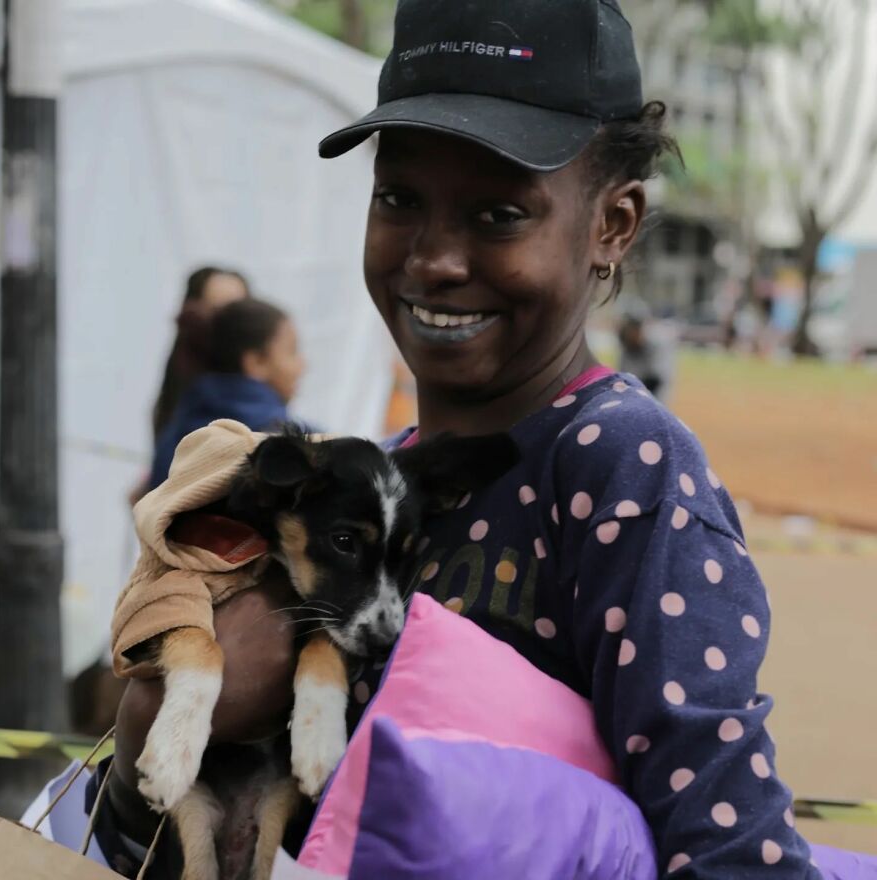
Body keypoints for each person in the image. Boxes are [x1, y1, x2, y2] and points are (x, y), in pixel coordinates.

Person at [47, 1, 823, 877]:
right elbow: (165, 834)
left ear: (613, 224)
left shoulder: (621, 468)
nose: (433, 259)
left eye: (499, 215)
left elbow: (725, 839)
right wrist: (155, 727)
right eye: (399, 199)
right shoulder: (374, 482)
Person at [149, 298, 310, 489]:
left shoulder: (176, 432)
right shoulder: (289, 442)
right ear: (256, 362)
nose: (303, 366)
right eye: (292, 351)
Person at [151, 267, 252, 442]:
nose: (229, 323)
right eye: (217, 310)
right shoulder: (188, 391)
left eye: (237, 311)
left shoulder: (258, 388)